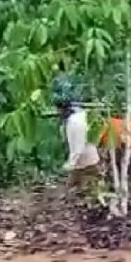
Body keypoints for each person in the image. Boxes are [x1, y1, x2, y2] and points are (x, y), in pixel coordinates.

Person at [51, 67, 100, 196]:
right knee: (75, 190)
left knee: (88, 189)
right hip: (84, 161)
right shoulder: (78, 116)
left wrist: (69, 164)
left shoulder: (75, 121)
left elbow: (77, 146)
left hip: (86, 162)